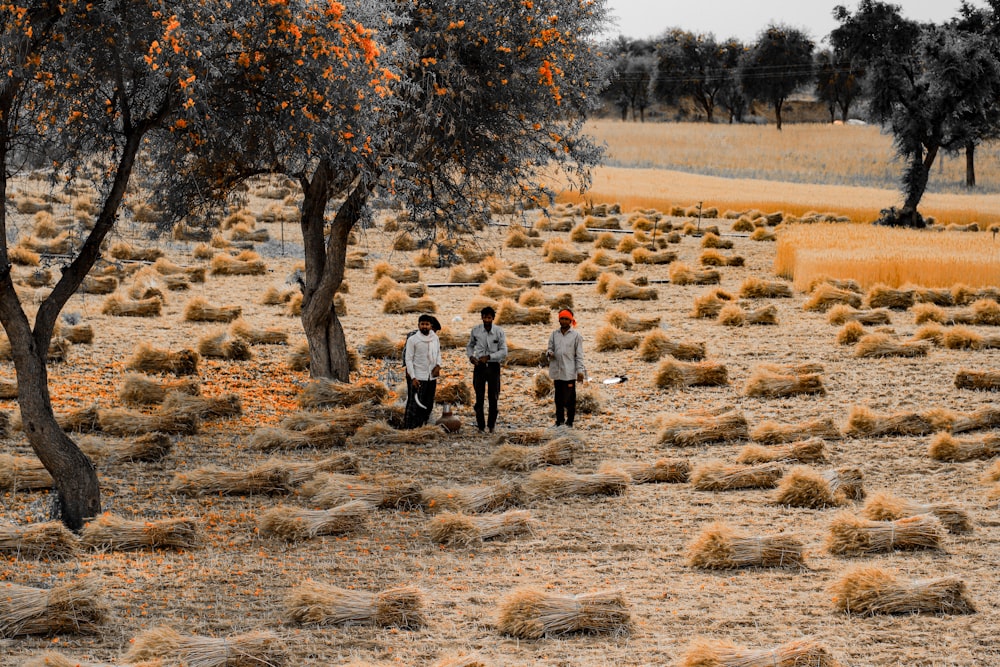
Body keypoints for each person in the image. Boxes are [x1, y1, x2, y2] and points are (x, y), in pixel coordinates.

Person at [466, 305, 507, 433]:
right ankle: (480, 426)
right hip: (479, 367)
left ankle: (491, 425)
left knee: (493, 397)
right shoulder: (476, 331)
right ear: (482, 317)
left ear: (493, 318)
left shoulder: (499, 332)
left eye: (489, 317)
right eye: (485, 317)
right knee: (479, 397)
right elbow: (470, 346)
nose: (487, 320)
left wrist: (489, 357)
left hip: (494, 367)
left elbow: (504, 351)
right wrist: (471, 357)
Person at [546, 308, 586, 428]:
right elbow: (549, 348)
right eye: (562, 318)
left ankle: (569, 422)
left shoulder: (576, 336)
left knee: (570, 399)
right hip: (557, 371)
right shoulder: (554, 334)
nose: (563, 321)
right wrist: (549, 353)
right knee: (558, 398)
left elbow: (579, 355)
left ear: (570, 320)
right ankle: (559, 421)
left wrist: (580, 371)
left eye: (566, 319)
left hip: (569, 372)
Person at [404, 313, 442, 429]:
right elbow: (408, 359)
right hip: (418, 377)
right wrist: (413, 377)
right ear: (419, 325)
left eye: (427, 324)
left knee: (428, 404)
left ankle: (422, 428)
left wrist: (438, 366)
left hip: (431, 377)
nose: (425, 327)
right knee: (414, 404)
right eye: (422, 324)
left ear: (431, 326)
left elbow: (438, 354)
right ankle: (410, 429)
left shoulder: (435, 338)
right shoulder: (413, 339)